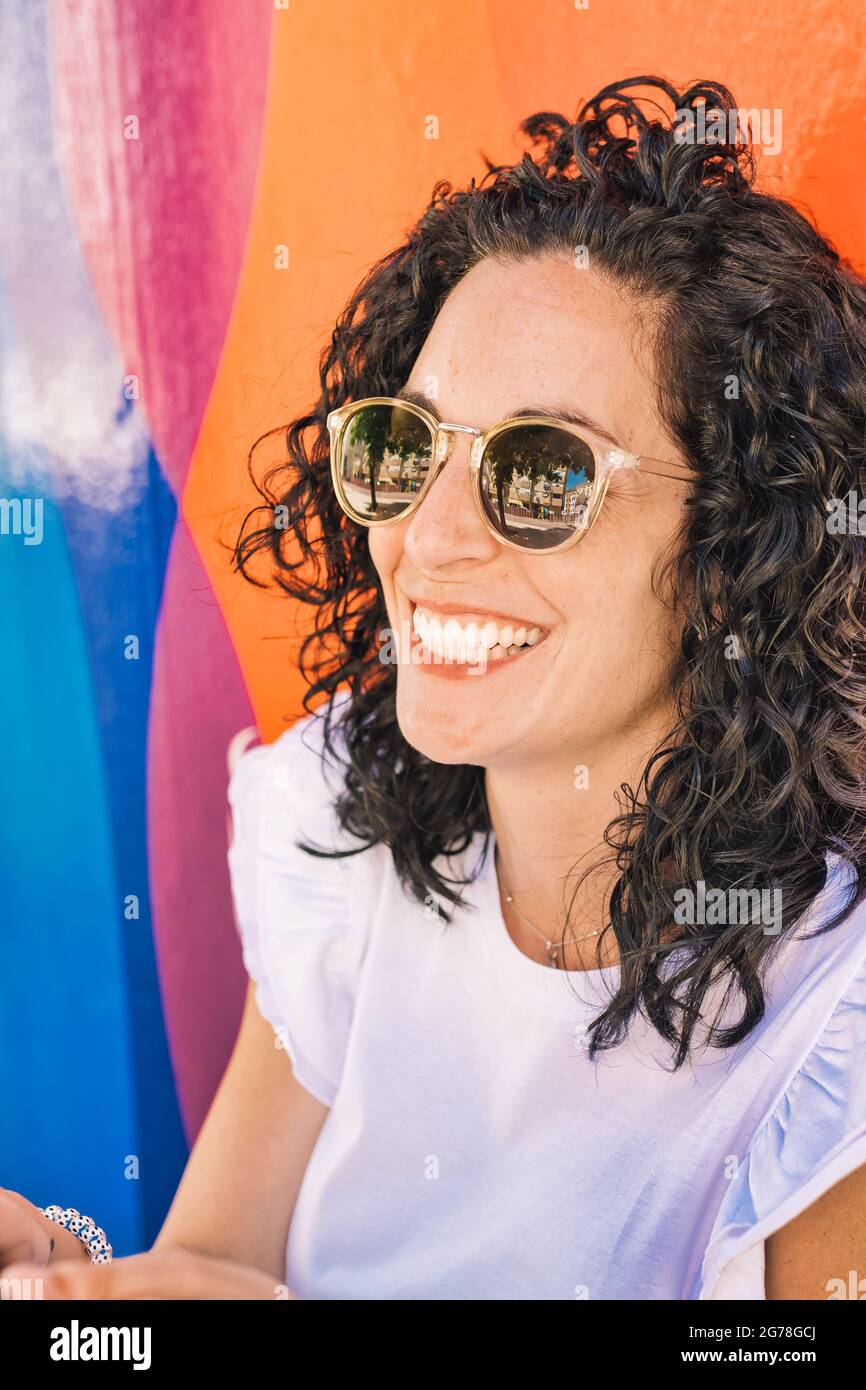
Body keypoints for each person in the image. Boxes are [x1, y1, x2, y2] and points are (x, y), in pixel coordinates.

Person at [4, 74, 866, 1301]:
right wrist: (78, 1301)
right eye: (405, 446)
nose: (430, 534)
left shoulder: (831, 1040)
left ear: (733, 555)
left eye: (539, 472)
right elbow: (210, 1264)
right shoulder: (351, 831)